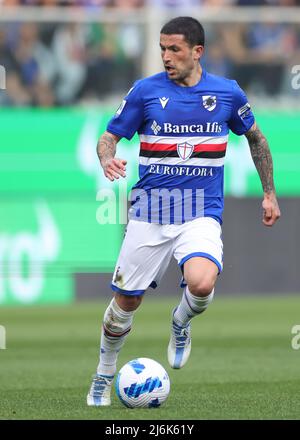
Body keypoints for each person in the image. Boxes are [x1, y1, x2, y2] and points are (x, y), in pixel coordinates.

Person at [87, 16, 281, 406]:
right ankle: (102, 377)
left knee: (202, 282)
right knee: (126, 303)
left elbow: (257, 140)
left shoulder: (227, 93)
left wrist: (269, 193)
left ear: (198, 52)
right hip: (150, 211)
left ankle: (180, 321)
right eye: (162, 48)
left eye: (174, 49)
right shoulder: (145, 91)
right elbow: (108, 138)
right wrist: (107, 159)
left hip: (200, 211)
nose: (166, 56)